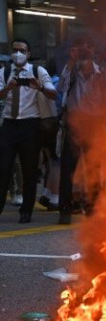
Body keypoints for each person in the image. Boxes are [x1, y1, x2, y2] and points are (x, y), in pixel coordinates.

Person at [55, 36, 106, 224]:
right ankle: (65, 210)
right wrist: (70, 62)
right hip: (74, 123)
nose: (83, 54)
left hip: (94, 125)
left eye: (86, 49)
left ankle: (93, 208)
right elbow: (60, 88)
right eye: (79, 49)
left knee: (94, 168)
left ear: (93, 52)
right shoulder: (71, 72)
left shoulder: (103, 74)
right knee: (68, 168)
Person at [0, 38, 58, 223]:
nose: (18, 53)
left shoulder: (37, 71)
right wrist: (8, 88)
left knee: (29, 170)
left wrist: (38, 86)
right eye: (15, 50)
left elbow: (53, 93)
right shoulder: (5, 71)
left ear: (28, 54)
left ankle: (26, 211)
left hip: (30, 125)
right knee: (3, 168)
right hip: (9, 124)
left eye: (22, 50)